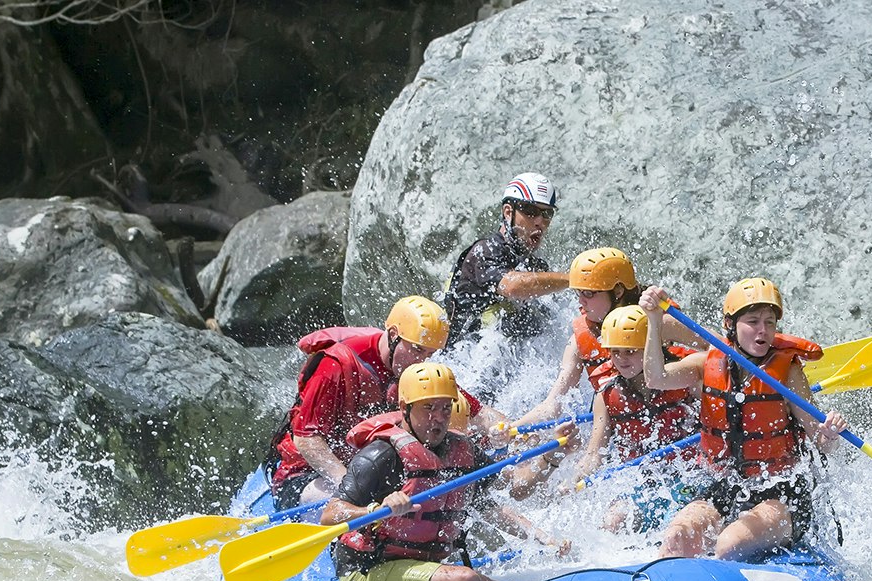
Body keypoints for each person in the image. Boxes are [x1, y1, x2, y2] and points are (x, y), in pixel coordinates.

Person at [321, 362, 572, 581]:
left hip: (424, 569)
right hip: (368, 577)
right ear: (405, 409)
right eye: (428, 408)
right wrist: (375, 511)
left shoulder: (462, 451)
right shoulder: (381, 456)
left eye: (445, 408)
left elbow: (514, 490)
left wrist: (552, 457)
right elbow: (329, 515)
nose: (438, 418)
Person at [639, 279, 847, 560]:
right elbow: (656, 378)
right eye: (753, 321)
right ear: (730, 324)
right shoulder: (706, 363)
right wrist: (654, 320)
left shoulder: (788, 373)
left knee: (729, 545)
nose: (763, 330)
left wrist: (829, 433)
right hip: (725, 487)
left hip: (780, 494)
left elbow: (821, 443)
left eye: (770, 322)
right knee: (677, 537)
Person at [266, 297, 503, 509]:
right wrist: (353, 486)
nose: (420, 361)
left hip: (373, 470)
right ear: (393, 335)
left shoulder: (414, 373)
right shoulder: (335, 365)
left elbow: (479, 413)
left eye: (429, 355)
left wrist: (504, 430)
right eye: (417, 350)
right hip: (307, 477)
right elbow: (307, 441)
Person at [515, 247, 702, 428]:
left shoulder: (657, 321)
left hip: (676, 417)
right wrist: (513, 428)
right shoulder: (579, 341)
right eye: (578, 293)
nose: (581, 301)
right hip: (621, 423)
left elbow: (715, 351)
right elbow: (552, 405)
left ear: (618, 291)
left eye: (588, 293)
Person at [572, 305, 702, 532]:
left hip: (688, 477)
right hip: (642, 484)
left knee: (675, 525)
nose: (622, 359)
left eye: (631, 351)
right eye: (616, 352)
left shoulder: (683, 379)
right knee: (612, 522)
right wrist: (576, 479)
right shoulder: (606, 395)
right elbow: (594, 454)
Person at [441, 173, 571, 357]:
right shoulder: (484, 252)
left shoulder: (535, 266)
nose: (540, 221)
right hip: (461, 361)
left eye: (547, 213)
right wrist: (574, 278)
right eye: (530, 211)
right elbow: (512, 286)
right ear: (508, 212)